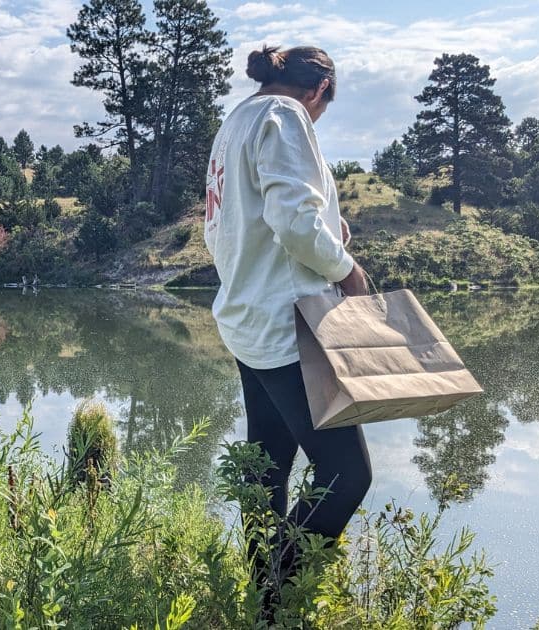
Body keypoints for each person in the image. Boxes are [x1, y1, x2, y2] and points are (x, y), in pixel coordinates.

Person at [203, 45, 372, 596]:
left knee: (266, 468)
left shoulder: (236, 123)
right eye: (326, 106)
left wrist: (328, 228)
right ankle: (281, 592)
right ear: (320, 90)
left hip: (248, 317)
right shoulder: (287, 116)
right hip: (290, 325)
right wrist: (346, 270)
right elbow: (293, 223)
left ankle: (260, 592)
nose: (321, 117)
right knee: (347, 475)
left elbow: (232, 225)